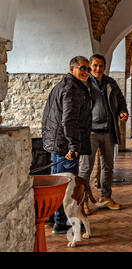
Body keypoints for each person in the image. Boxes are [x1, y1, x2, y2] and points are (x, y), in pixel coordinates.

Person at [42, 56, 92, 234]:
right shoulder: (72, 89)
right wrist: (73, 146)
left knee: (58, 183)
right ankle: (61, 222)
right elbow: (69, 120)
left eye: (88, 69)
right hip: (65, 145)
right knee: (67, 186)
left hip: (58, 143)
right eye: (82, 68)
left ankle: (57, 218)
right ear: (72, 69)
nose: (86, 72)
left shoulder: (65, 85)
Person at [79, 54, 129, 213]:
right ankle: (82, 201)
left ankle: (105, 197)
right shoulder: (83, 83)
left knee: (108, 167)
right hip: (90, 132)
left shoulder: (111, 83)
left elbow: (121, 101)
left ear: (104, 67)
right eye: (95, 65)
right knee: (86, 168)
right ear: (90, 66)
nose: (98, 69)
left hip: (108, 131)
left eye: (101, 66)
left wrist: (123, 111)